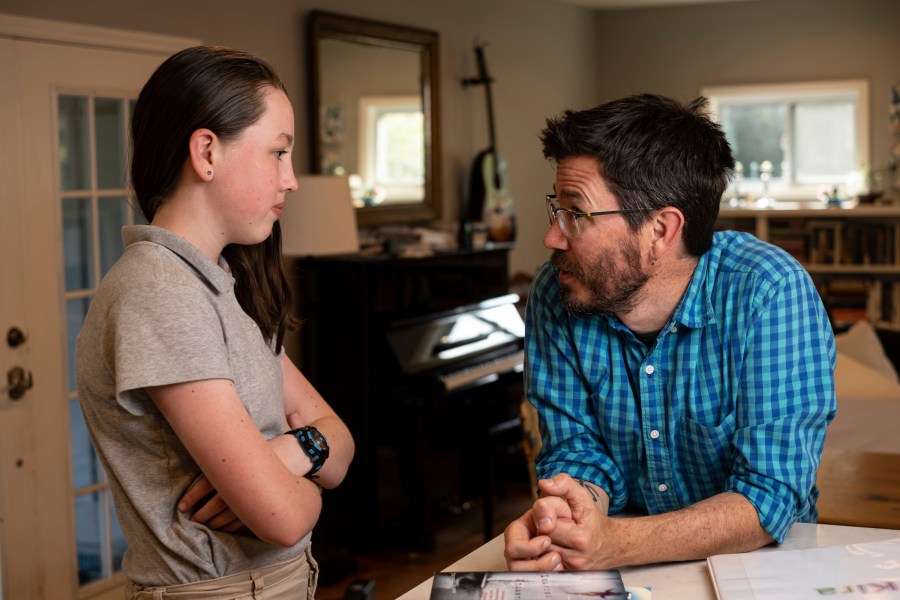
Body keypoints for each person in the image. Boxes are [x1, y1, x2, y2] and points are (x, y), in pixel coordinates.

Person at [504, 94, 836, 571]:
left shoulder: (768, 292)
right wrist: (566, 515)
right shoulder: (557, 292)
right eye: (558, 208)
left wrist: (616, 543)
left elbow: (770, 494)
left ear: (660, 229)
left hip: (759, 568)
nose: (553, 237)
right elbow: (577, 453)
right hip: (616, 569)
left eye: (577, 214)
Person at [75, 45, 353, 598]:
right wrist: (306, 483)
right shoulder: (160, 292)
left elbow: (340, 442)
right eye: (278, 153)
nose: (292, 179)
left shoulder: (221, 285)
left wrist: (292, 453)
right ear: (206, 153)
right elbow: (285, 518)